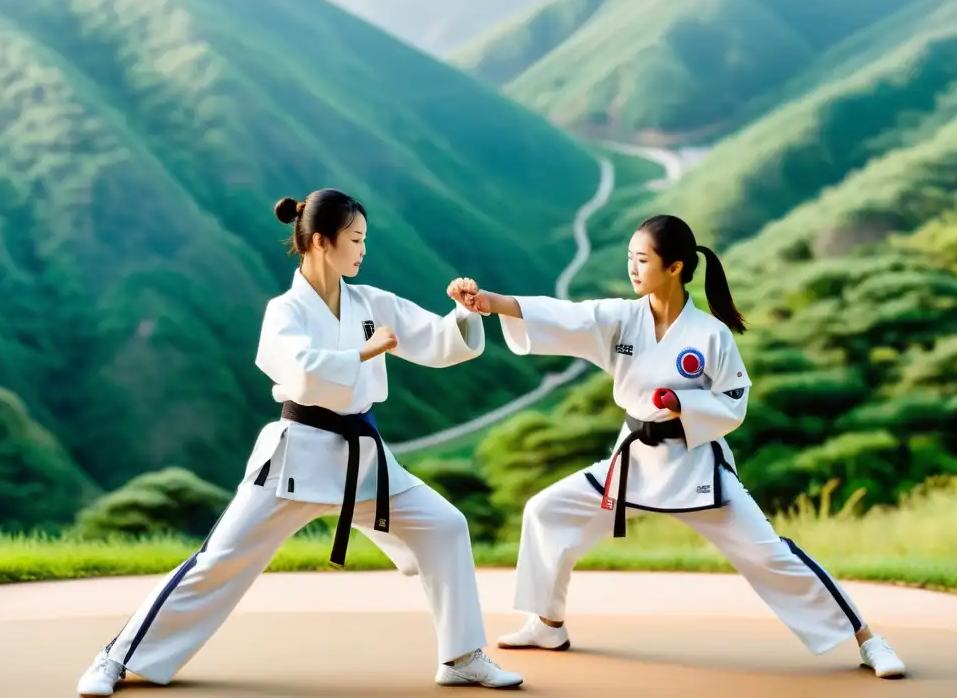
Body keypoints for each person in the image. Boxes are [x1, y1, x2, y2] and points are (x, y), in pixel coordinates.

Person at [76, 189, 523, 696]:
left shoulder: (371, 302)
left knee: (445, 525)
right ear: (319, 241)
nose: (363, 249)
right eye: (355, 239)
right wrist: (362, 353)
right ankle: (117, 657)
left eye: (365, 240)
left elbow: (438, 342)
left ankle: (462, 656)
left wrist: (465, 314)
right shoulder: (284, 311)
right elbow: (301, 372)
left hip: (362, 458)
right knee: (221, 561)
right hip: (298, 454)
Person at [451, 214, 907, 680]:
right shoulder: (622, 318)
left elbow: (734, 400)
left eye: (642, 259)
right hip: (631, 461)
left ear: (675, 267)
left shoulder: (711, 335)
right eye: (629, 257)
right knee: (547, 510)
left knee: (770, 554)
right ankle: (548, 623)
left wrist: (683, 404)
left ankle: (869, 639)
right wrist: (490, 303)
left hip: (694, 470)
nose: (632, 267)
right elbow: (567, 314)